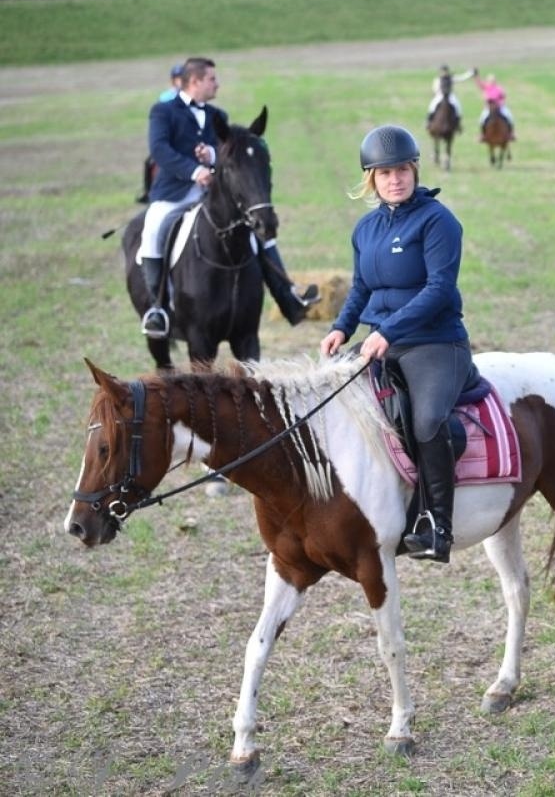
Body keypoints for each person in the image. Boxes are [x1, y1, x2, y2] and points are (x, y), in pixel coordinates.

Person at [319, 125, 471, 563]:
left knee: (427, 422)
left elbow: (440, 289)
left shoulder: (438, 221)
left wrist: (388, 331)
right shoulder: (365, 229)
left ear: (415, 170)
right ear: (371, 178)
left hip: (435, 342)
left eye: (402, 170)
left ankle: (436, 525)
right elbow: (361, 287)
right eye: (385, 173)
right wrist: (342, 327)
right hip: (380, 341)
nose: (395, 179)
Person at [137, 57, 318, 338]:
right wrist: (193, 170)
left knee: (259, 230)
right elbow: (159, 150)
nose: (217, 84)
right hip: (174, 193)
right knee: (152, 231)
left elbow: (226, 151)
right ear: (194, 81)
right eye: (212, 79)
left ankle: (288, 296)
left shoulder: (217, 114)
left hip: (212, 193)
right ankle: (157, 309)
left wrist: (211, 155)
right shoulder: (163, 111)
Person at [138, 62, 186, 203]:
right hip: (169, 136)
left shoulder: (190, 96)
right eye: (178, 78)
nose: (181, 81)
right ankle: (148, 192)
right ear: (173, 80)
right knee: (149, 162)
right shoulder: (166, 97)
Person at [477, 73, 514, 141]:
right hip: (489, 108)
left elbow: (503, 97)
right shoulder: (486, 87)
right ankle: (483, 134)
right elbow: (479, 84)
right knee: (482, 119)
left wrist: (500, 103)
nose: (491, 82)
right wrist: (477, 76)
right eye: (490, 81)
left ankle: (510, 133)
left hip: (499, 107)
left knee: (509, 116)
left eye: (492, 81)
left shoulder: (499, 88)